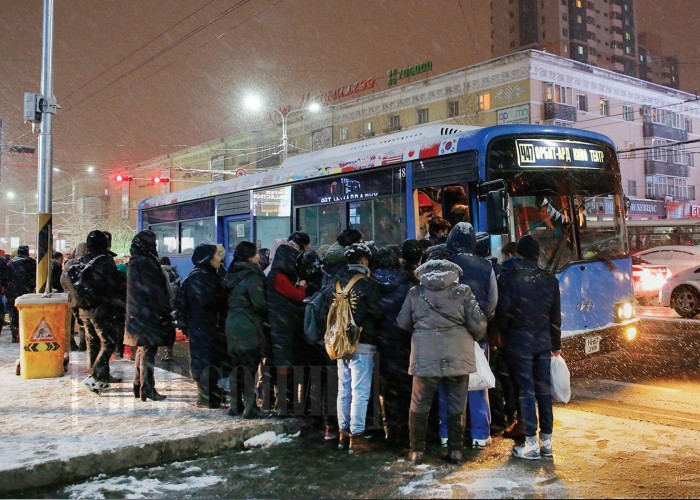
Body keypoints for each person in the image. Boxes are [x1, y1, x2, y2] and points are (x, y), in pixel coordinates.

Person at [397, 258, 487, 464]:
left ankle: (416, 451)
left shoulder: (415, 293)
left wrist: (424, 331)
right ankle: (456, 451)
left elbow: (403, 322)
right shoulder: (463, 291)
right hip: (458, 354)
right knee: (457, 404)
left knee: (419, 404)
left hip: (424, 354)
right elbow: (479, 325)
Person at [497, 235, 561, 460]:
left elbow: (503, 312)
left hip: (518, 342)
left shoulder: (510, 279)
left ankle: (531, 443)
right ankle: (547, 442)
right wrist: (556, 343)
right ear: (537, 255)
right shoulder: (549, 279)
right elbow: (554, 316)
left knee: (526, 392)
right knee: (543, 391)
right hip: (542, 343)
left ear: (519, 254)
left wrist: (503, 334)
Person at [323, 243, 383, 454]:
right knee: (361, 391)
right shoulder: (368, 284)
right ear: (364, 261)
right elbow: (377, 312)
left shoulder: (335, 284)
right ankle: (357, 438)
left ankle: (343, 434)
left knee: (344, 389)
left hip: (340, 343)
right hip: (362, 342)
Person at [445, 222, 498, 449]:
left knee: (448, 385)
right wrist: (480, 320)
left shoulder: (446, 266)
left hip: (449, 335)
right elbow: (493, 302)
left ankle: (448, 433)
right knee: (478, 383)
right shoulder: (486, 267)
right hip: (478, 336)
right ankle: (480, 434)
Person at [265, 231, 310, 416]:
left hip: (279, 326)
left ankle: (282, 403)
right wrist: (303, 286)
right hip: (281, 328)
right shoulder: (279, 277)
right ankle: (284, 405)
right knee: (283, 366)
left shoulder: (277, 274)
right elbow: (297, 296)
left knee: (282, 365)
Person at [125, 230, 173, 402]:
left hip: (138, 314)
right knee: (148, 351)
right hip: (148, 314)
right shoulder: (146, 263)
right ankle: (147, 388)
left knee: (142, 349)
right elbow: (155, 292)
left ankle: (139, 385)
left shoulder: (136, 262)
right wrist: (163, 312)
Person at [373, 247, 412, 447]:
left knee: (387, 391)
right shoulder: (408, 285)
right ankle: (405, 433)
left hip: (380, 345)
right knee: (405, 390)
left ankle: (392, 432)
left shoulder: (371, 284)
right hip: (404, 344)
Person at [77, 231, 125, 393]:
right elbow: (112, 286)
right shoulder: (105, 260)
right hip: (101, 309)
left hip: (85, 309)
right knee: (109, 343)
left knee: (93, 344)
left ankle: (102, 378)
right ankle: (94, 376)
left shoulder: (82, 260)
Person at [181, 243, 228, 408]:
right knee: (207, 361)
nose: (219, 258)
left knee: (207, 361)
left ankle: (210, 397)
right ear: (208, 258)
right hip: (205, 328)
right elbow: (212, 304)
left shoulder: (200, 276)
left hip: (202, 328)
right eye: (216, 255)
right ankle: (208, 398)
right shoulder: (203, 278)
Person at [225, 241, 266, 418]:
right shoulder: (252, 276)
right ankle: (250, 406)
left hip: (232, 324)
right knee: (250, 366)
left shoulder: (231, 274)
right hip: (247, 325)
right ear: (250, 257)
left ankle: (235, 405)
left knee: (236, 365)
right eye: (256, 253)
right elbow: (259, 304)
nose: (259, 256)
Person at [6, 245, 36, 343]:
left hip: (13, 292)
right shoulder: (32, 262)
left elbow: (7, 278)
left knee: (13, 314)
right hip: (27, 293)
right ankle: (26, 335)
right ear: (27, 252)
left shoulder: (11, 263)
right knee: (27, 314)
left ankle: (15, 336)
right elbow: (35, 278)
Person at [61, 243, 88, 351]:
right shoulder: (88, 263)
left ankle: (71, 342)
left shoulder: (69, 263)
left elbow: (63, 279)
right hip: (84, 298)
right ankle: (83, 343)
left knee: (71, 322)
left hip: (71, 298)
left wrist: (68, 292)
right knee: (84, 322)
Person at [159, 256, 182, 362]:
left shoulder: (159, 273)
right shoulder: (175, 273)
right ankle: (169, 351)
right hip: (173, 305)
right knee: (171, 328)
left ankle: (160, 351)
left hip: (163, 305)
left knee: (161, 327)